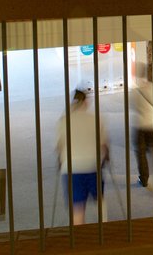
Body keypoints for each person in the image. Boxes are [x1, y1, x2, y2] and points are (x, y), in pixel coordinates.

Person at [55, 86, 109, 225]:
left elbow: (59, 147)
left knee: (77, 208)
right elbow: (103, 145)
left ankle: (79, 236)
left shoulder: (64, 120)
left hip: (72, 168)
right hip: (93, 165)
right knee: (100, 201)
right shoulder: (96, 118)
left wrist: (61, 162)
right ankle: (104, 227)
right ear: (85, 102)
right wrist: (104, 159)